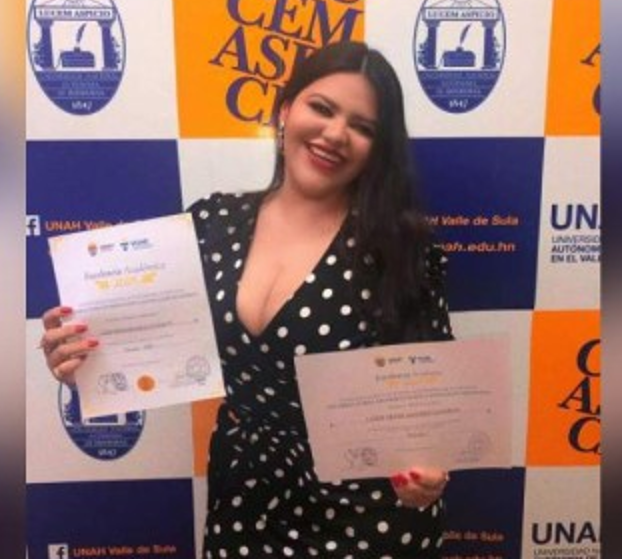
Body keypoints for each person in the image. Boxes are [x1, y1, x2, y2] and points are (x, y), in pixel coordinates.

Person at [38, 41, 455, 558]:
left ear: (378, 148)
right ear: (286, 110)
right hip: (245, 499)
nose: (334, 133)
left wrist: (429, 470)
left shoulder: (402, 247)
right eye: (321, 108)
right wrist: (83, 357)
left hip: (366, 515)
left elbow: (432, 396)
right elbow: (144, 341)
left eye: (362, 126)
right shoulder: (212, 223)